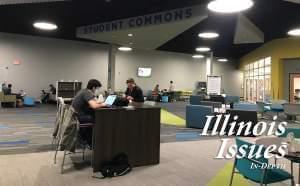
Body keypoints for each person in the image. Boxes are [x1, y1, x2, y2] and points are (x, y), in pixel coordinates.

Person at [71, 79, 107, 146]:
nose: (97, 90)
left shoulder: (83, 91)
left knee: (94, 116)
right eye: (97, 88)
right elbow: (94, 106)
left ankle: (87, 139)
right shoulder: (87, 93)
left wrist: (99, 102)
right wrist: (104, 104)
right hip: (78, 117)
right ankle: (91, 142)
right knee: (98, 120)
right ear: (93, 88)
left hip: (74, 116)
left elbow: (92, 102)